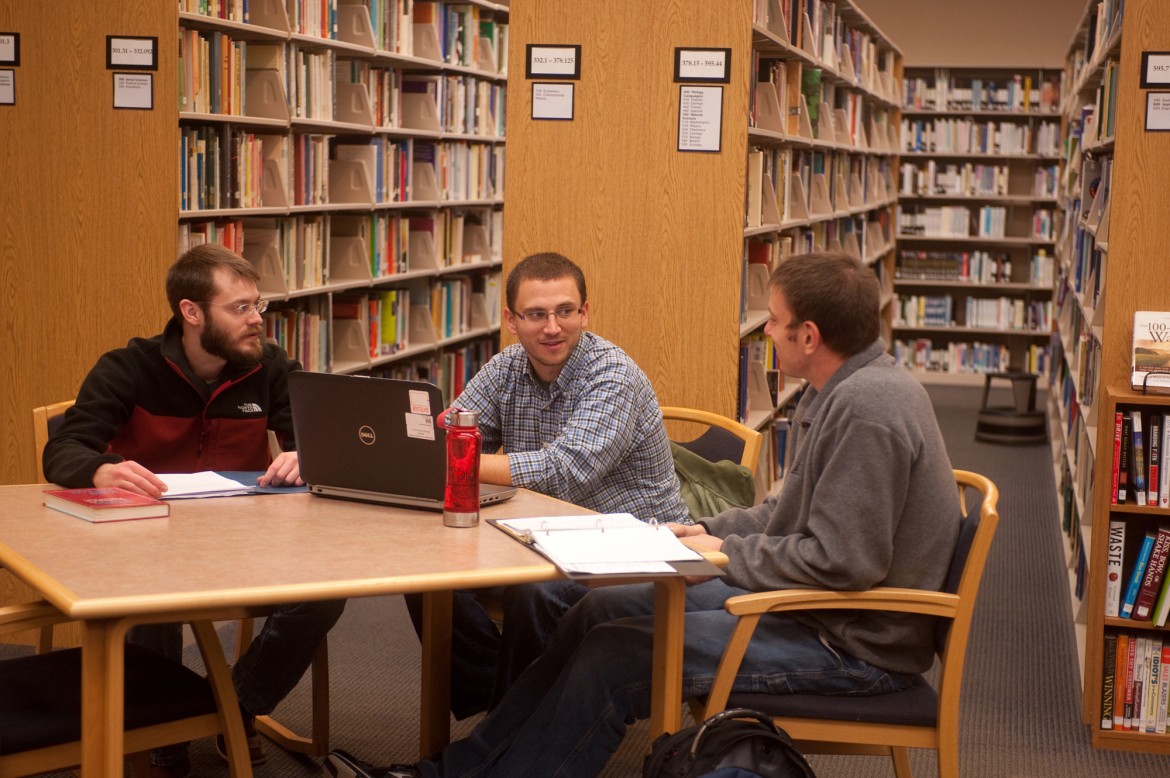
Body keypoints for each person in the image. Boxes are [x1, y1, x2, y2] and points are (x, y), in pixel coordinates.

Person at [325, 251, 962, 778]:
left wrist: (722, 556)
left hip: (847, 643)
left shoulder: (869, 410)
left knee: (619, 655)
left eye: (774, 321)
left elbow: (843, 562)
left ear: (809, 336)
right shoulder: (840, 392)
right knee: (601, 610)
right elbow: (784, 514)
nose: (765, 331)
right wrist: (710, 530)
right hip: (811, 607)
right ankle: (457, 770)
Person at [43, 243, 345, 777]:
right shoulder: (128, 368)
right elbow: (62, 451)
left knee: (326, 594)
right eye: (240, 308)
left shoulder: (269, 366)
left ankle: (230, 707)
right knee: (150, 592)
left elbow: (320, 440)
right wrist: (100, 468)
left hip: (245, 541)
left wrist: (307, 453)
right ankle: (164, 730)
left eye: (258, 306)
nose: (257, 321)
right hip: (148, 540)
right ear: (191, 312)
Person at [406, 251, 691, 719]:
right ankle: (499, 702)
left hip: (633, 541)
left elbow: (564, 472)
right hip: (543, 533)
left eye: (565, 311)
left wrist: (460, 456)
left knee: (534, 592)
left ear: (585, 312)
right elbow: (449, 428)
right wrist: (419, 439)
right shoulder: (506, 367)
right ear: (512, 321)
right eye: (536, 314)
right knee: (425, 571)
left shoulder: (612, 374)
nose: (552, 327)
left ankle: (511, 720)